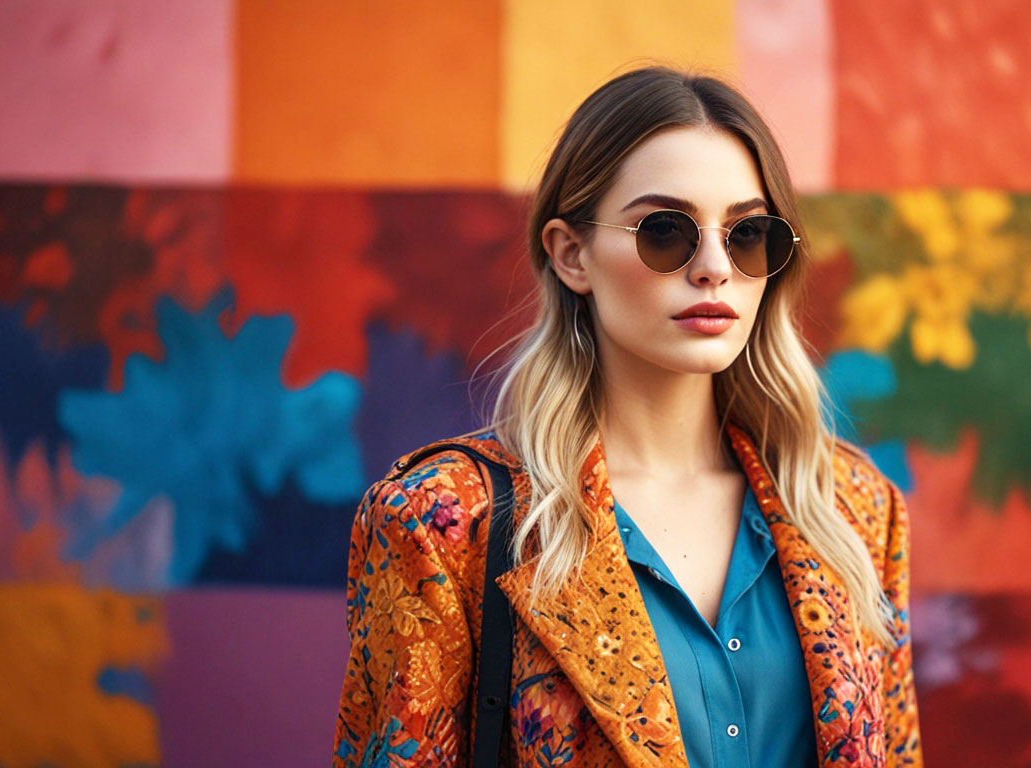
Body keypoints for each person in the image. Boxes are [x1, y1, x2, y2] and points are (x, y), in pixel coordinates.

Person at [333, 64, 922, 767]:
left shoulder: (853, 509)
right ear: (571, 254)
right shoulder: (443, 522)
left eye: (746, 234)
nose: (713, 267)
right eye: (665, 232)